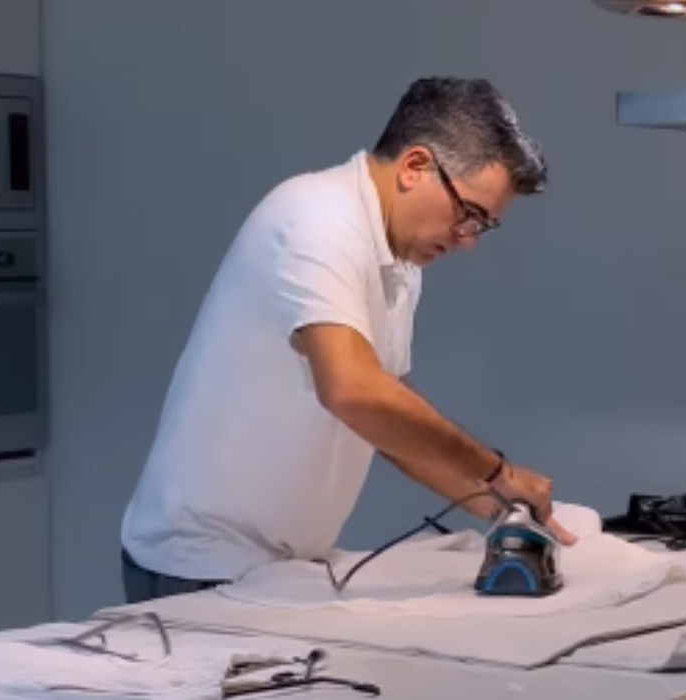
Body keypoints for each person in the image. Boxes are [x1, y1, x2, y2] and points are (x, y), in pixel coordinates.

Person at [119, 77, 576, 604]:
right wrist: (497, 470)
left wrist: (501, 508)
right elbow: (353, 391)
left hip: (283, 567)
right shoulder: (317, 217)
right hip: (199, 565)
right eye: (469, 214)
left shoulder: (399, 261)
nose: (468, 240)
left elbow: (388, 424)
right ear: (415, 167)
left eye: (483, 226)